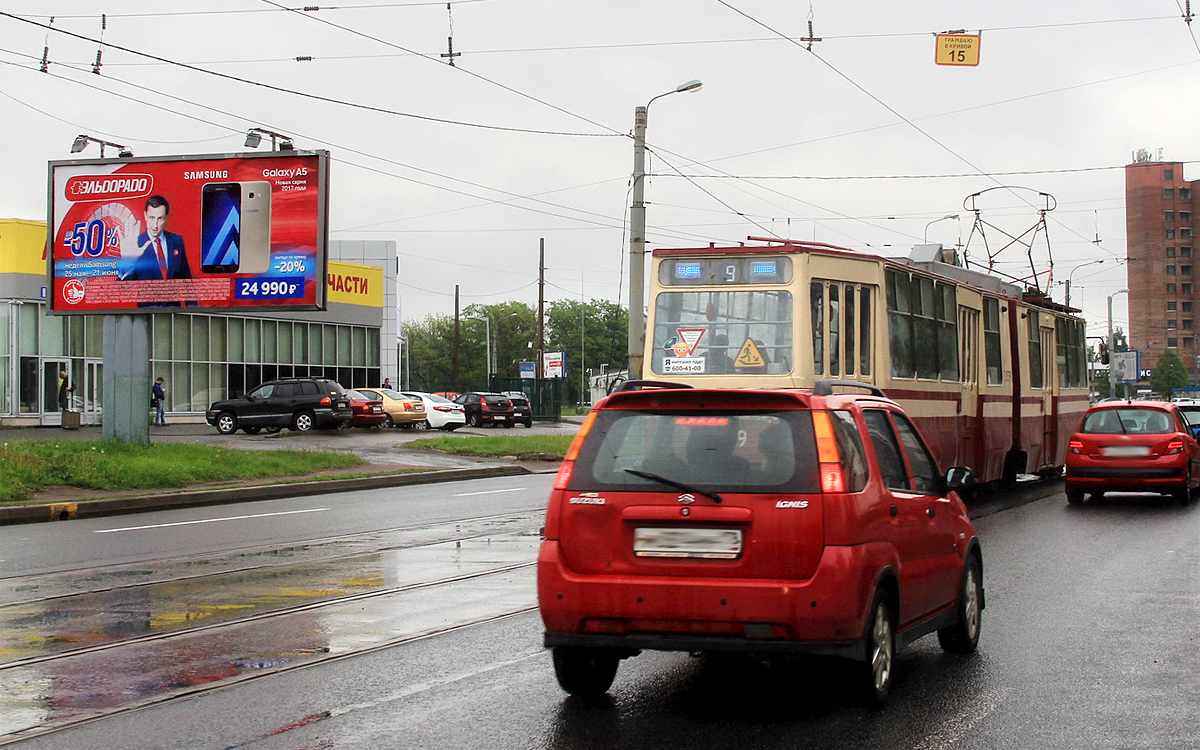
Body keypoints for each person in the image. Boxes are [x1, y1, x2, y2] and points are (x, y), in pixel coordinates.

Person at [121, 195, 195, 307]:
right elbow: (123, 290)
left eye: (160, 218)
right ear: (145, 215)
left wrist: (192, 309)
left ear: (166, 217)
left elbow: (186, 280)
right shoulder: (136, 244)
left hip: (174, 313)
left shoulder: (177, 241)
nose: (155, 225)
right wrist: (128, 262)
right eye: (152, 218)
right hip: (147, 315)